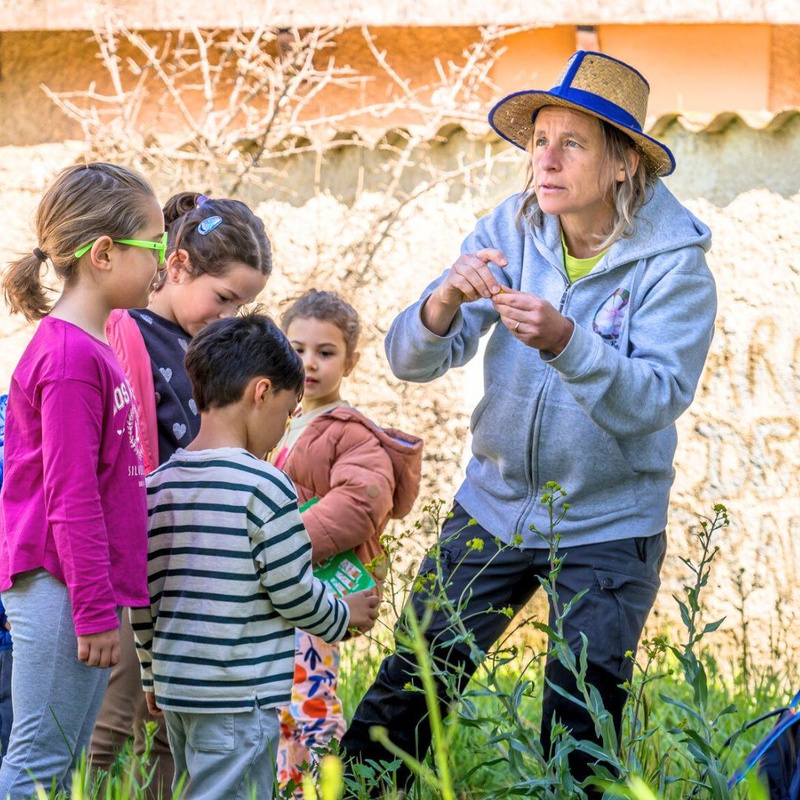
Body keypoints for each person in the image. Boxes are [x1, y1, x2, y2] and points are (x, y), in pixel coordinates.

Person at [341, 50, 717, 797]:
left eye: (572, 143)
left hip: (612, 523)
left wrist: (567, 343)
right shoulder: (509, 229)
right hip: (495, 503)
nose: (545, 158)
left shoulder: (675, 266)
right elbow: (409, 359)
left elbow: (656, 398)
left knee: (581, 730)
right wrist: (443, 299)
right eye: (539, 139)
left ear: (622, 165)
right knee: (409, 692)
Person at [130, 313, 381, 800]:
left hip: (178, 690)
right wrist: (341, 615)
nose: (284, 429)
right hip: (238, 696)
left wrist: (149, 673)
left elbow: (145, 597)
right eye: (288, 414)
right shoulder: (265, 486)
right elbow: (291, 591)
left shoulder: (157, 486)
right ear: (261, 393)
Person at [91, 191, 272, 792]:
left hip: (185, 569)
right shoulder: (129, 332)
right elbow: (127, 453)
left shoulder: (205, 349)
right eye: (223, 299)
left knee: (168, 727)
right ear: (178, 266)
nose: (226, 317)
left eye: (240, 307)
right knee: (113, 725)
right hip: (136, 564)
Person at [0, 162, 164, 798]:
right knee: (39, 765)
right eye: (155, 246)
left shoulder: (93, 346)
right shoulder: (69, 359)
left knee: (55, 764)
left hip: (81, 591)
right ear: (103, 254)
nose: (163, 264)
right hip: (61, 590)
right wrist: (95, 612)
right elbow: (70, 498)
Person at [272, 290, 423, 794]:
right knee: (271, 700)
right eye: (295, 349)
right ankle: (279, 783)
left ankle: (317, 786)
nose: (308, 364)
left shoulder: (351, 433)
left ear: (350, 361)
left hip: (318, 593)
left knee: (309, 698)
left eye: (325, 352)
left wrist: (280, 545)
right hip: (271, 595)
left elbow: (361, 502)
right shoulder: (276, 421)